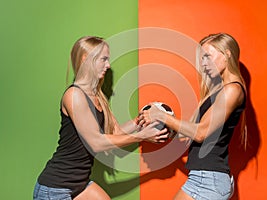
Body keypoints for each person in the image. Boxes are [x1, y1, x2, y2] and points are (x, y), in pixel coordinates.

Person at [33, 36, 168, 200]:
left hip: (79, 184)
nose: (108, 65)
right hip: (55, 188)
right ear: (86, 59)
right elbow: (96, 143)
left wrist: (141, 118)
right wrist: (141, 136)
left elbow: (116, 132)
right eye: (103, 59)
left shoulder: (97, 96)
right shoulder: (74, 95)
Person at [141, 33, 247, 200]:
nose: (203, 64)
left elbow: (201, 133)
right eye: (201, 59)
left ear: (227, 54)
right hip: (202, 178)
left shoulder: (232, 90)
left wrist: (161, 116)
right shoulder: (216, 91)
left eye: (207, 57)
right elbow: (191, 132)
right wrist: (161, 131)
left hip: (209, 180)